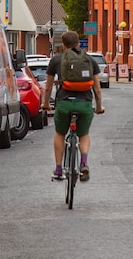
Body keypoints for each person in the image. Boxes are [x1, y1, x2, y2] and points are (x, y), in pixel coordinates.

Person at [41, 31, 105, 182]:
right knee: (83, 135)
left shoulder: (56, 60)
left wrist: (45, 104)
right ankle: (83, 162)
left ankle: (58, 169)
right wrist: (99, 107)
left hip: (64, 103)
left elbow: (48, 87)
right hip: (84, 104)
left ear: (63, 45)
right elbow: (97, 89)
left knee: (60, 134)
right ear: (78, 44)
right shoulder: (89, 60)